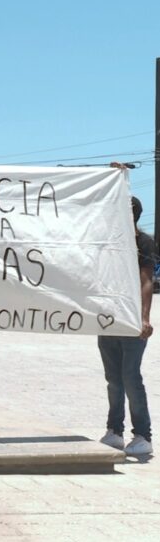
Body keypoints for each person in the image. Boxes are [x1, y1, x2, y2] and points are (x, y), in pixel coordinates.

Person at [98, 194, 154, 456]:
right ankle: (114, 431)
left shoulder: (143, 242)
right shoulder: (110, 243)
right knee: (113, 379)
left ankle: (143, 435)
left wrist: (144, 317)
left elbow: (146, 281)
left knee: (130, 377)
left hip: (131, 320)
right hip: (109, 319)